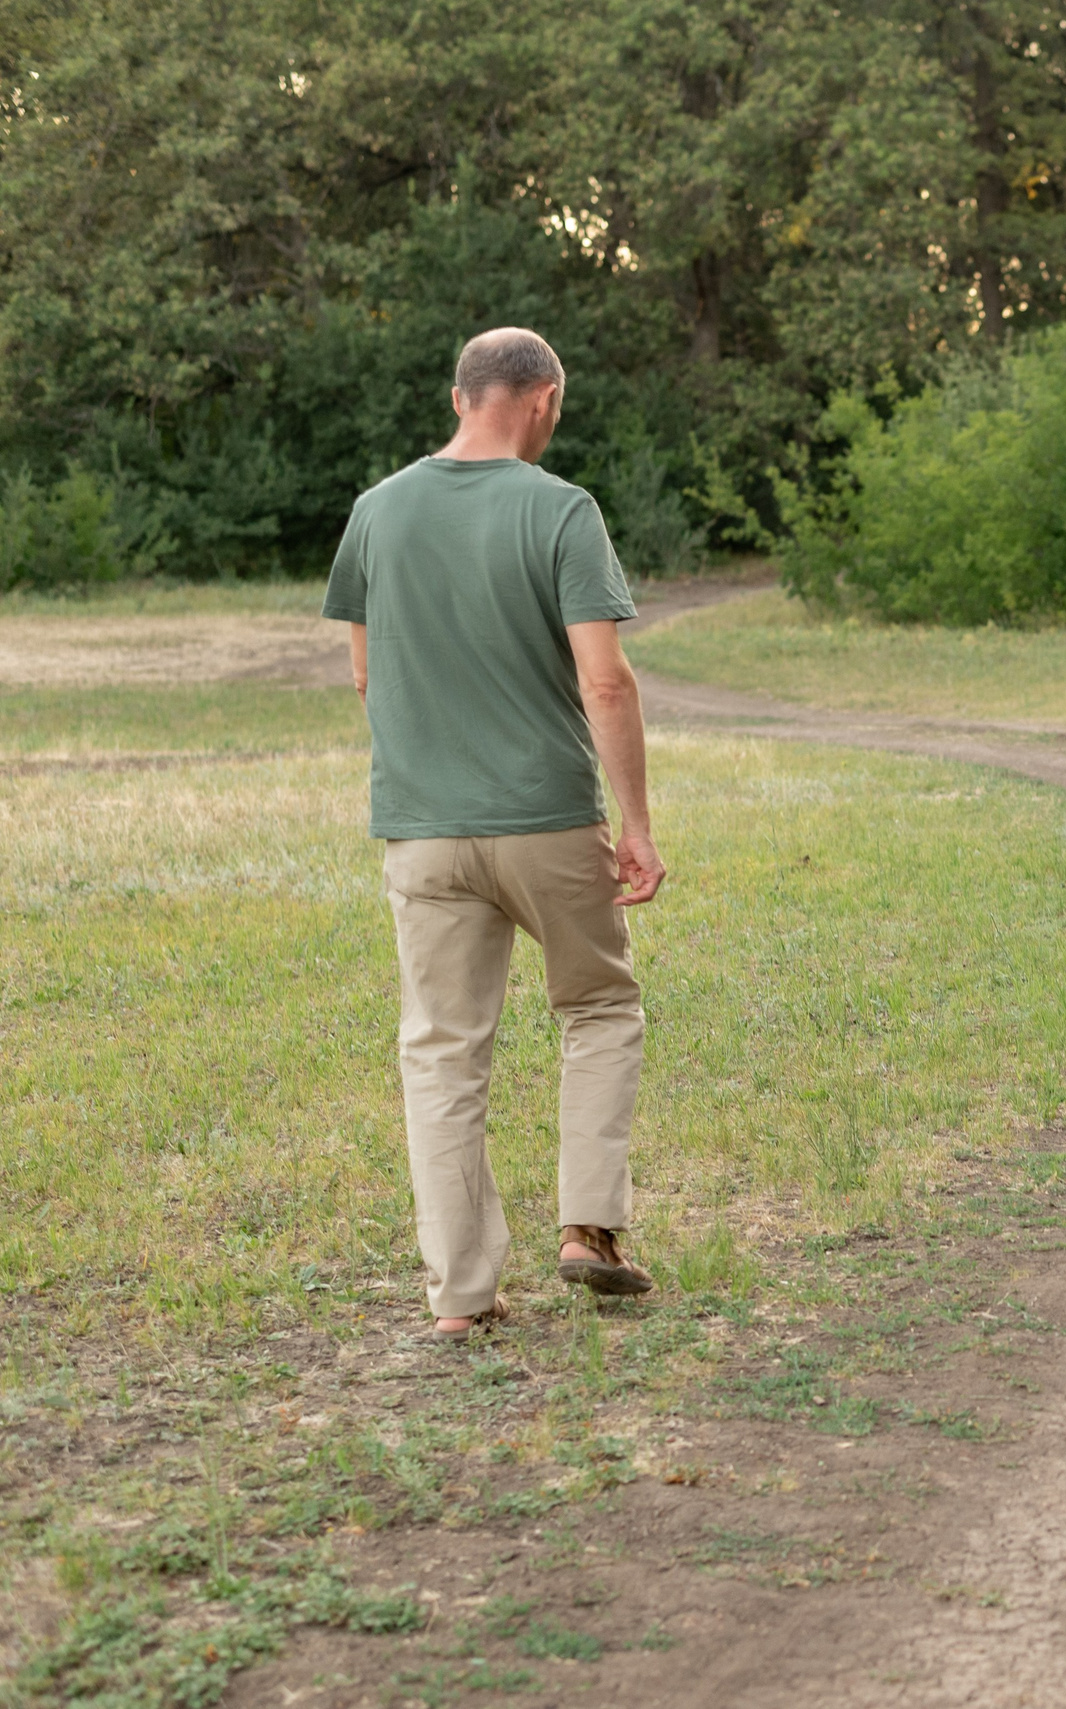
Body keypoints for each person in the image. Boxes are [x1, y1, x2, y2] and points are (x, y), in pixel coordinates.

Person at [323, 326, 668, 1341]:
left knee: (442, 1054)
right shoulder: (560, 510)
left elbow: (366, 673)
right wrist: (637, 824)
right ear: (544, 397)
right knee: (599, 1006)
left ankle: (462, 1295)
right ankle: (588, 1228)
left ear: (459, 394)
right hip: (549, 818)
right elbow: (604, 679)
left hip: (422, 832)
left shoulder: (375, 512)